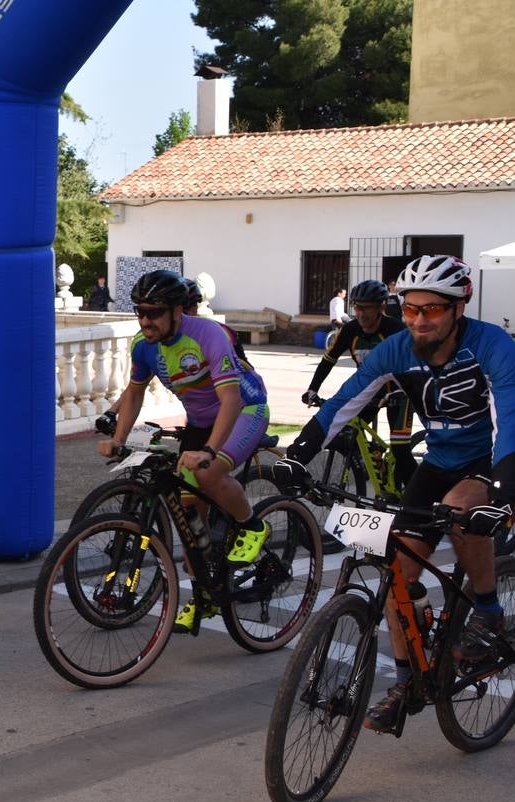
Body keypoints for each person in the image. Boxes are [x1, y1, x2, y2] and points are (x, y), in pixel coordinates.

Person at [275, 256, 515, 733]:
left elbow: (508, 421)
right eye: (410, 309)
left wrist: (503, 491)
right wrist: (298, 454)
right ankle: (407, 683)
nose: (420, 320)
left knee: (461, 510)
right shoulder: (395, 350)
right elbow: (346, 402)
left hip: (491, 457)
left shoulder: (491, 345)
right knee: (399, 573)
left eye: (433, 310)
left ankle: (487, 612)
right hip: (440, 460)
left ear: (459, 306)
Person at [100, 269, 273, 632]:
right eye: (140, 311)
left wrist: (210, 450)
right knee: (187, 510)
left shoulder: (207, 334)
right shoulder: (144, 346)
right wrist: (118, 439)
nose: (146, 320)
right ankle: (204, 593)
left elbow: (230, 397)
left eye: (155, 312)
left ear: (178, 311)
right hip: (200, 421)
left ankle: (252, 526)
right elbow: (134, 394)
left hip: (244, 409)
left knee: (209, 473)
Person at [300, 279, 418, 486]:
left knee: (400, 448)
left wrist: (406, 391)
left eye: (367, 309)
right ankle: (371, 460)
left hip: (398, 394)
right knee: (347, 433)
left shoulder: (396, 330)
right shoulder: (350, 330)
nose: (361, 314)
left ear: (381, 307)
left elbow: (415, 366)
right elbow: (328, 360)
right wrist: (312, 389)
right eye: (357, 308)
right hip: (368, 393)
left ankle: (416, 498)